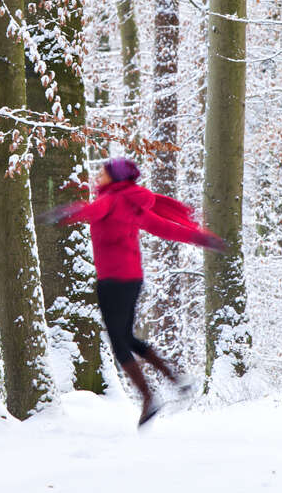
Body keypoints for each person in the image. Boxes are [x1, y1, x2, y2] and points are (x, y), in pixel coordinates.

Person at [51, 156, 225, 426]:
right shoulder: (133, 204)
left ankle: (148, 398)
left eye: (104, 172)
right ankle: (176, 380)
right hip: (131, 280)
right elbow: (165, 228)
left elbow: (92, 212)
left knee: (120, 343)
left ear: (116, 178)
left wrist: (70, 212)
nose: (100, 174)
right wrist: (199, 237)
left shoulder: (110, 200)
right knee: (127, 338)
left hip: (112, 281)